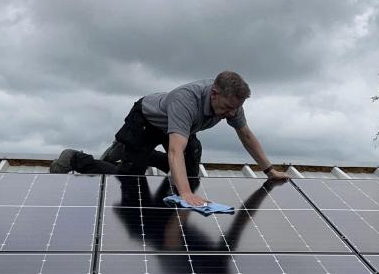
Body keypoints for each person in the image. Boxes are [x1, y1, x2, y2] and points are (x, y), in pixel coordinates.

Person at [50, 71, 290, 206]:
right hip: (145, 122)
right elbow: (175, 150)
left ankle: (128, 153)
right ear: (214, 94)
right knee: (130, 180)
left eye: (234, 110)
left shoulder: (233, 104)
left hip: (179, 128)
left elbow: (246, 135)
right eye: (226, 108)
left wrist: (269, 170)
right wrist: (185, 195)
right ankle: (77, 159)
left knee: (190, 175)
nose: (230, 114)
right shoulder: (186, 100)